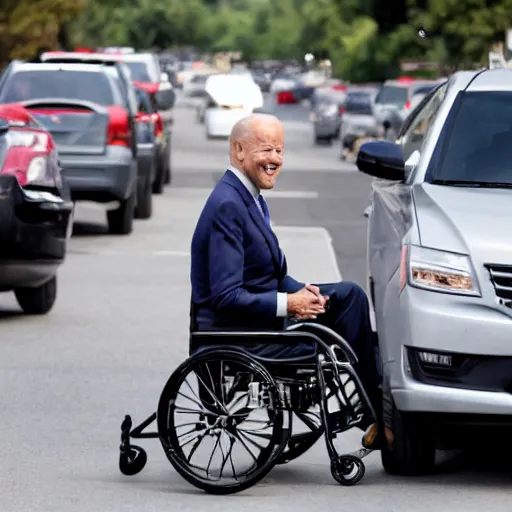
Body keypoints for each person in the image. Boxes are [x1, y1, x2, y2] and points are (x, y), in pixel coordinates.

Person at [190, 113, 384, 449]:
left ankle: (374, 408)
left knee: (349, 298)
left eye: (279, 151)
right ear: (238, 150)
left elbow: (270, 275)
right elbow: (225, 296)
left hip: (259, 318)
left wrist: (301, 292)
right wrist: (289, 304)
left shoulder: (246, 196)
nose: (276, 160)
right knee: (344, 314)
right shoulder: (227, 205)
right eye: (267, 150)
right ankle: (378, 415)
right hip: (240, 332)